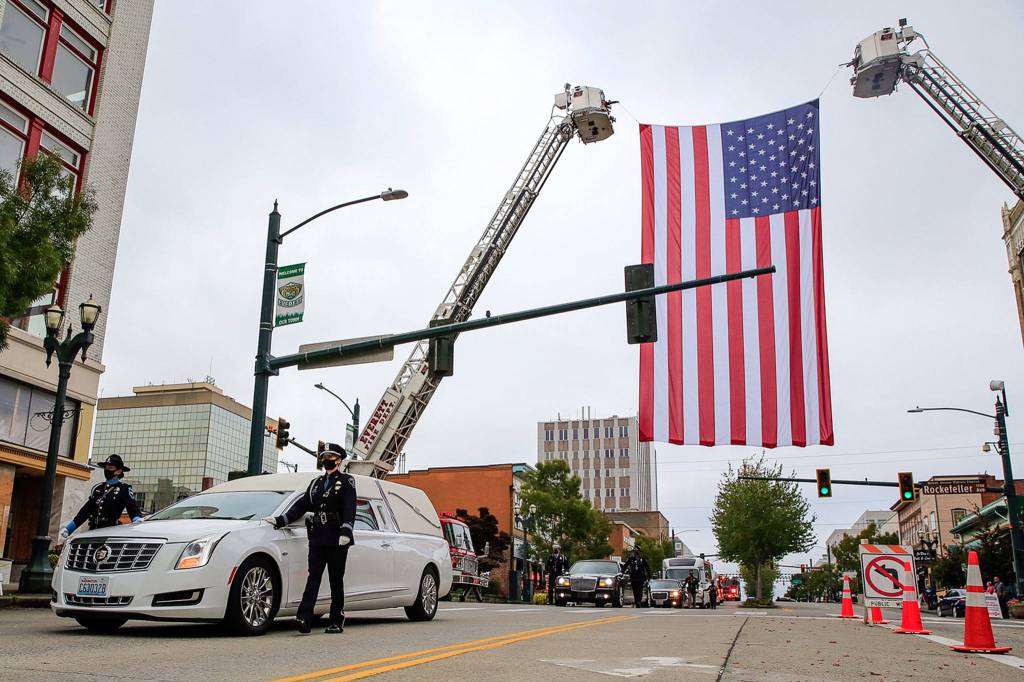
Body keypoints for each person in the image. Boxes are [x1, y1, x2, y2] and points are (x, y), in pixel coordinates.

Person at [265, 443, 356, 634]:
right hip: (318, 537)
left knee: (335, 580)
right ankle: (304, 618)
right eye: (324, 456)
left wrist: (346, 531)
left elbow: (350, 507)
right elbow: (302, 505)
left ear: (339, 460)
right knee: (313, 578)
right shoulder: (315, 484)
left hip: (337, 536)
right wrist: (281, 519)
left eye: (330, 456)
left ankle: (336, 619)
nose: (326, 460)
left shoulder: (346, 481)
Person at [59, 455, 142, 541]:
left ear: (118, 471)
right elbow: (85, 512)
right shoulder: (98, 488)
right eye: (106, 467)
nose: (106, 470)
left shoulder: (124, 489)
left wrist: (137, 520)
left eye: (110, 468)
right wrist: (69, 529)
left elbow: (133, 508)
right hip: (93, 530)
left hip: (111, 531)